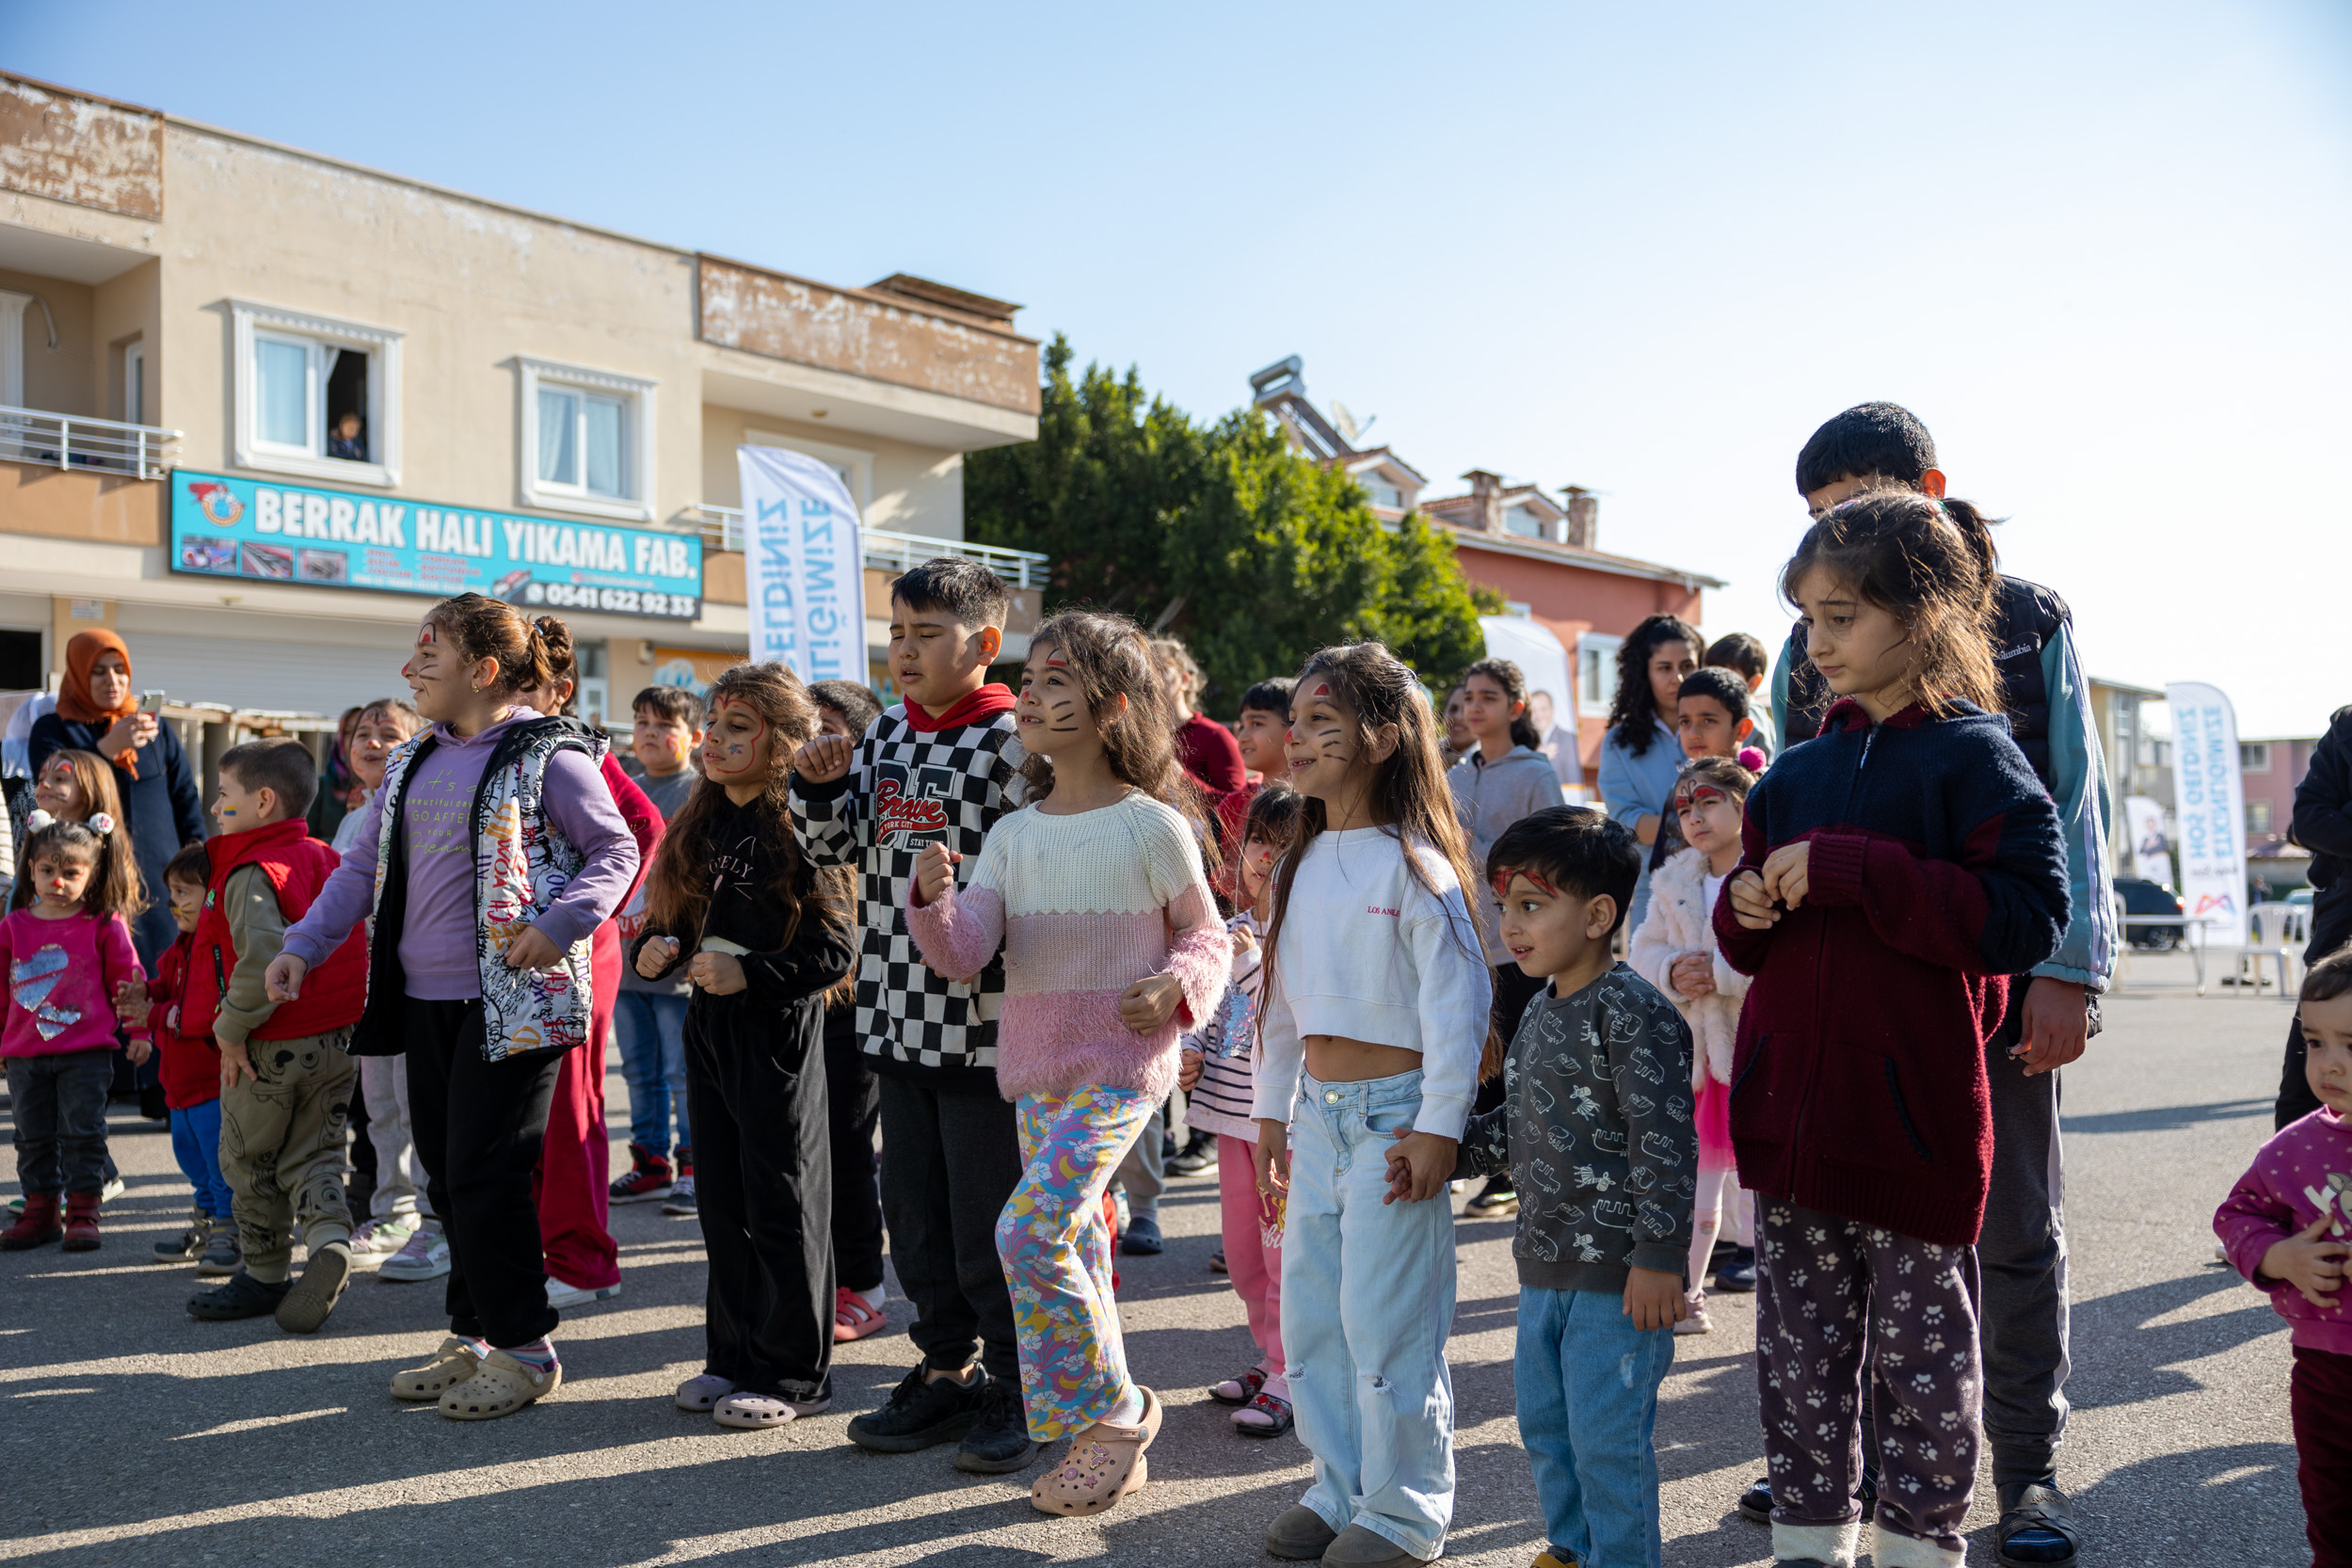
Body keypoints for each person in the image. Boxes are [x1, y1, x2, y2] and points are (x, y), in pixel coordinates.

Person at [1769, 404, 2116, 1564]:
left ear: (1928, 493)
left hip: (1995, 974)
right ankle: (1852, 1498)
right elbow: (1794, 812)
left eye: (1861, 507)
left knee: (2009, 1227)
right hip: (1853, 1010)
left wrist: (2064, 971)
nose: (1838, 536)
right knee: (1854, 1256)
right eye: (1819, 523)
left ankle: (2023, 1474)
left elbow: (2071, 805)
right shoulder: (1801, 647)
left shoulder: (2030, 619)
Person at [268, 594, 639, 1421]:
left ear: (481, 672)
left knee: (485, 1175)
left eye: (427, 660)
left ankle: (526, 1348)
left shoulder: (549, 754)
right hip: (421, 1000)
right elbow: (359, 871)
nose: (409, 671)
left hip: (514, 1006)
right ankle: (476, 1336)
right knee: (447, 1175)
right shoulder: (412, 760)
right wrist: (301, 945)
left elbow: (617, 850)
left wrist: (560, 923)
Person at [906, 609, 1226, 1515]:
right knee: (1078, 1240)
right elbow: (965, 952)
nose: (1031, 695)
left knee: (1028, 1230)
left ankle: (1118, 1415)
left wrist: (1173, 987)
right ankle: (1106, 1437)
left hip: (1124, 1066)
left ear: (1112, 704)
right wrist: (929, 903)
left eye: (1055, 680)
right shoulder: (1012, 836)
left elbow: (1207, 935)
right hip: (1036, 1068)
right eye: (1031, 679)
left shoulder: (1151, 827)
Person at [789, 557, 1035, 1472]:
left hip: (984, 1026)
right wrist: (817, 783)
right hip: (892, 1014)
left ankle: (1017, 1380)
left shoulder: (1015, 741)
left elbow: (1037, 877)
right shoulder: (886, 731)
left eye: (927, 634)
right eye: (896, 633)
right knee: (917, 1217)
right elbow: (833, 845)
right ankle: (943, 1369)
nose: (905, 650)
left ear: (985, 643)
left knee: (987, 1222)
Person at [1252, 641, 1491, 1568]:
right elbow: (1278, 1002)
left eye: (1324, 722)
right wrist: (1274, 1112)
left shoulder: (1416, 863)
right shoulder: (1300, 862)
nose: (1299, 738)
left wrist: (1439, 1125)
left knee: (1390, 1319)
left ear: (1384, 738)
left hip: (1396, 1122)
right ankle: (1338, 1486)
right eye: (1297, 721)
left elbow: (1457, 1004)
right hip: (1318, 1114)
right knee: (1315, 1311)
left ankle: (1404, 1512)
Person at [1454, 806, 1696, 1568]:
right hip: (1544, 1266)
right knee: (1547, 1430)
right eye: (1504, 908)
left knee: (1606, 1443)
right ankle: (1570, 1549)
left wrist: (1659, 1256)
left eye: (1531, 905)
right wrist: (1443, 1155)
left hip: (1620, 1279)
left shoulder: (1632, 1012)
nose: (1512, 927)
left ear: (1597, 914)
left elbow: (1662, 1141)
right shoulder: (1538, 1012)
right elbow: (1518, 1128)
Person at [634, 662, 856, 1429]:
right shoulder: (701, 819)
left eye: (739, 726)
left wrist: (752, 973)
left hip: (777, 1035)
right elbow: (677, 924)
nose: (716, 740)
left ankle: (797, 1374)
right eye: (715, 723)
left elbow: (836, 952)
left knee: (782, 1202)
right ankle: (730, 1355)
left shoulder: (800, 822)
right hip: (709, 1029)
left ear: (784, 738)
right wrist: (657, 948)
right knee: (721, 1202)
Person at [178, 739, 370, 1332]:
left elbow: (262, 958)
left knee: (250, 1160)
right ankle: (331, 1238)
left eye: (224, 795)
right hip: (337, 1040)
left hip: (266, 1045)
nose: (215, 807)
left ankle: (263, 1274)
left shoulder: (251, 872)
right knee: (316, 1155)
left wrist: (230, 1030)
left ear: (262, 801)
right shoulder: (324, 857)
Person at [515, 632, 664, 1304]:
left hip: (571, 954)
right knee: (528, 1112)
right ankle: (554, 1248)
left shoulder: (571, 748)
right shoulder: (497, 745)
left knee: (568, 1107)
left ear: (558, 692)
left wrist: (588, 918)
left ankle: (583, 1260)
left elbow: (642, 828)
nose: (505, 701)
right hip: (520, 957)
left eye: (523, 686)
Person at [2214, 945, 2352, 1568]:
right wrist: (2280, 1258)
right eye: (2314, 1042)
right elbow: (2237, 1215)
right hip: (2326, 1374)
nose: (2329, 1065)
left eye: (2351, 1044)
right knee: (2333, 1511)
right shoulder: (2294, 1150)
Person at [1182, 781, 1302, 1436]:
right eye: (1259, 840)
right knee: (1244, 1253)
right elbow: (1204, 1009)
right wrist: (1185, 1051)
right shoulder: (1227, 931)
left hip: (1282, 1125)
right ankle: (1271, 1358)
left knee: (1285, 1256)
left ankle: (1290, 1374)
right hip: (1229, 1119)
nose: (1265, 857)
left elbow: (1280, 1006)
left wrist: (1246, 959)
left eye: (1285, 846)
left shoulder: (1303, 936)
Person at [1626, 759, 1755, 1335]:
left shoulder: (1762, 874)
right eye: (1684, 808)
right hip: (1698, 1058)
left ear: (1743, 804)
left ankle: (1789, 1295)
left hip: (1756, 1048)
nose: (1694, 817)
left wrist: (1723, 974)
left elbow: (1786, 958)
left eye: (1708, 801)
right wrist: (1674, 971)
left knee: (1766, 1187)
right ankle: (1690, 1293)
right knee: (1698, 1186)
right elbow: (1641, 950)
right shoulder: (1674, 881)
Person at [1446, 656, 1561, 1222]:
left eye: (1488, 697)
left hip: (1520, 942)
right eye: (1468, 696)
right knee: (1477, 1056)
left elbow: (1555, 852)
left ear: (1515, 708)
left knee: (1520, 1055)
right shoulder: (1455, 774)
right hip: (1463, 940)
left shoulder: (1535, 772)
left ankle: (1518, 1172)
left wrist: (1483, 844)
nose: (1474, 707)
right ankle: (1486, 1164)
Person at [0, 815, 148, 1252]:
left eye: (71, 873)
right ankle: (40, 1210)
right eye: (47, 870)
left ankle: (83, 1212)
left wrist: (140, 1030)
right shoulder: (12, 928)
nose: (57, 882)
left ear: (92, 873)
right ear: (31, 870)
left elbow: (129, 980)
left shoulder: (103, 923)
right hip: (25, 1054)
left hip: (85, 1053)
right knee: (31, 1136)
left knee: (83, 1133)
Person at [28, 630, 206, 973]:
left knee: (163, 977)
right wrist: (107, 749)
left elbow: (185, 799)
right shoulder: (53, 729)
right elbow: (52, 792)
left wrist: (199, 861)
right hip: (87, 878)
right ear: (78, 672)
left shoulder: (154, 729)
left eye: (119, 669)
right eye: (98, 670)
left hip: (159, 879)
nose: (112, 679)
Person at [331, 698, 435, 1269]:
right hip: (367, 987)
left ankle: (422, 1215)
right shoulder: (353, 817)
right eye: (362, 733)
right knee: (378, 1107)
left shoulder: (419, 807)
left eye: (387, 733)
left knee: (412, 1100)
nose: (371, 742)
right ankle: (390, 1209)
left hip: (410, 979)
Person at [808, 677, 890, 1342]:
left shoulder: (878, 802)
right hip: (794, 994)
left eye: (828, 725)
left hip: (862, 999)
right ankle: (817, 1274)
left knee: (845, 1143)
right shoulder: (790, 795)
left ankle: (862, 1285)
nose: (813, 739)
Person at [120, 841, 240, 1273]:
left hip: (210, 1082)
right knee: (192, 1159)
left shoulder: (216, 949)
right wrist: (145, 992)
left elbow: (200, 1016)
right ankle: (207, 1221)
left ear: (212, 896)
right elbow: (167, 987)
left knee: (219, 1161)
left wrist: (149, 1011)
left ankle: (231, 1229)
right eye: (172, 891)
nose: (173, 903)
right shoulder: (182, 946)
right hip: (180, 1085)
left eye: (184, 892)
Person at [612, 684, 707, 1208]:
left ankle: (693, 1165)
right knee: (637, 1068)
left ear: (693, 737)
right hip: (625, 961)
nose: (648, 734)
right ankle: (649, 1161)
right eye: (641, 723)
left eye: (663, 725)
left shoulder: (698, 792)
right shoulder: (621, 787)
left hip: (675, 960)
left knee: (679, 1069)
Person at [1595, 616, 1700, 936]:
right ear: (1645, 672)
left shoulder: (1728, 725)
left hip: (1721, 879)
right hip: (1653, 887)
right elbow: (1626, 821)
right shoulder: (1618, 742)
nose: (1678, 677)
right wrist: (1702, 828)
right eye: (1664, 668)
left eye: (1687, 665)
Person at [2280, 704, 2352, 1128]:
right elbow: (2307, 822)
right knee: (2300, 1100)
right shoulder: (2347, 727)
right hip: (2339, 937)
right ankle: (2290, 1194)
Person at [1149, 635, 1246, 809]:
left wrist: (1182, 779)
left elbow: (1238, 806)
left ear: (1184, 680)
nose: (1151, 678)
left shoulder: (1214, 735)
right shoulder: (1140, 736)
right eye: (1146, 671)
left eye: (1160, 669)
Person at [1704, 632, 1775, 758]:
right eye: (1709, 673)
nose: (1713, 682)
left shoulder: (1748, 715)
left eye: (1726, 677)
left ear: (1753, 683)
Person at [1674, 667, 1761, 769]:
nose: (1693, 734)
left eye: (1708, 721)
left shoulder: (1762, 784)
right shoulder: (1682, 784)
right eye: (1685, 722)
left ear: (1742, 729)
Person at [1525, 688, 1584, 789]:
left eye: (1543, 709)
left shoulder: (1568, 740)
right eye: (1533, 711)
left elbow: (1573, 782)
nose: (1539, 715)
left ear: (1552, 710)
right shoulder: (1525, 742)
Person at [1439, 683, 1474, 770]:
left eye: (1468, 710)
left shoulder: (1488, 764)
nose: (1459, 717)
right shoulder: (1420, 754)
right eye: (1453, 709)